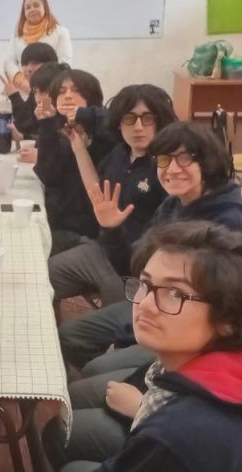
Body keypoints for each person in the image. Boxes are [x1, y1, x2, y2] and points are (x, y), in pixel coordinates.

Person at [56, 221, 242, 472]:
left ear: (227, 319)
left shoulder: (179, 433)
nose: (145, 304)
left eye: (176, 293)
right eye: (145, 284)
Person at [57, 121, 242, 371]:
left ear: (208, 162)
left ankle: (131, 383)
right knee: (70, 336)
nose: (173, 169)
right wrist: (111, 229)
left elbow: (225, 306)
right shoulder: (174, 204)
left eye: (185, 158)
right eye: (164, 159)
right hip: (153, 303)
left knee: (97, 370)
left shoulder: (229, 221)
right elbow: (135, 268)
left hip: (187, 331)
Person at [48, 84, 177, 308]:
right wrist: (79, 148)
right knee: (41, 280)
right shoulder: (120, 153)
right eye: (129, 119)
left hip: (135, 267)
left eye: (147, 118)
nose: (138, 127)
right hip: (101, 250)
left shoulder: (168, 166)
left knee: (112, 315)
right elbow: (98, 194)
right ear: (119, 123)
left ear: (160, 121)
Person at [33, 68, 116, 253]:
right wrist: (46, 123)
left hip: (91, 231)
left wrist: (84, 114)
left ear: (92, 96)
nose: (68, 96)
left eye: (76, 90)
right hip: (61, 223)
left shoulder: (102, 127)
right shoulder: (59, 128)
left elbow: (115, 122)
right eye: (61, 92)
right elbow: (48, 175)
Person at [2, 0, 72, 77]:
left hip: (51, 83)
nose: (32, 9)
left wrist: (46, 82)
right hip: (23, 83)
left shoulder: (61, 32)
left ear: (45, 8)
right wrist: (20, 80)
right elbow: (8, 61)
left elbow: (64, 63)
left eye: (36, 5)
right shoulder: (18, 35)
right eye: (28, 8)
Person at [3, 42, 59, 144]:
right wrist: (22, 137)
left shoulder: (54, 91)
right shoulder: (36, 90)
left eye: (35, 63)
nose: (28, 68)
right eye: (25, 64)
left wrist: (14, 96)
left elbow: (56, 137)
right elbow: (26, 125)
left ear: (50, 64)